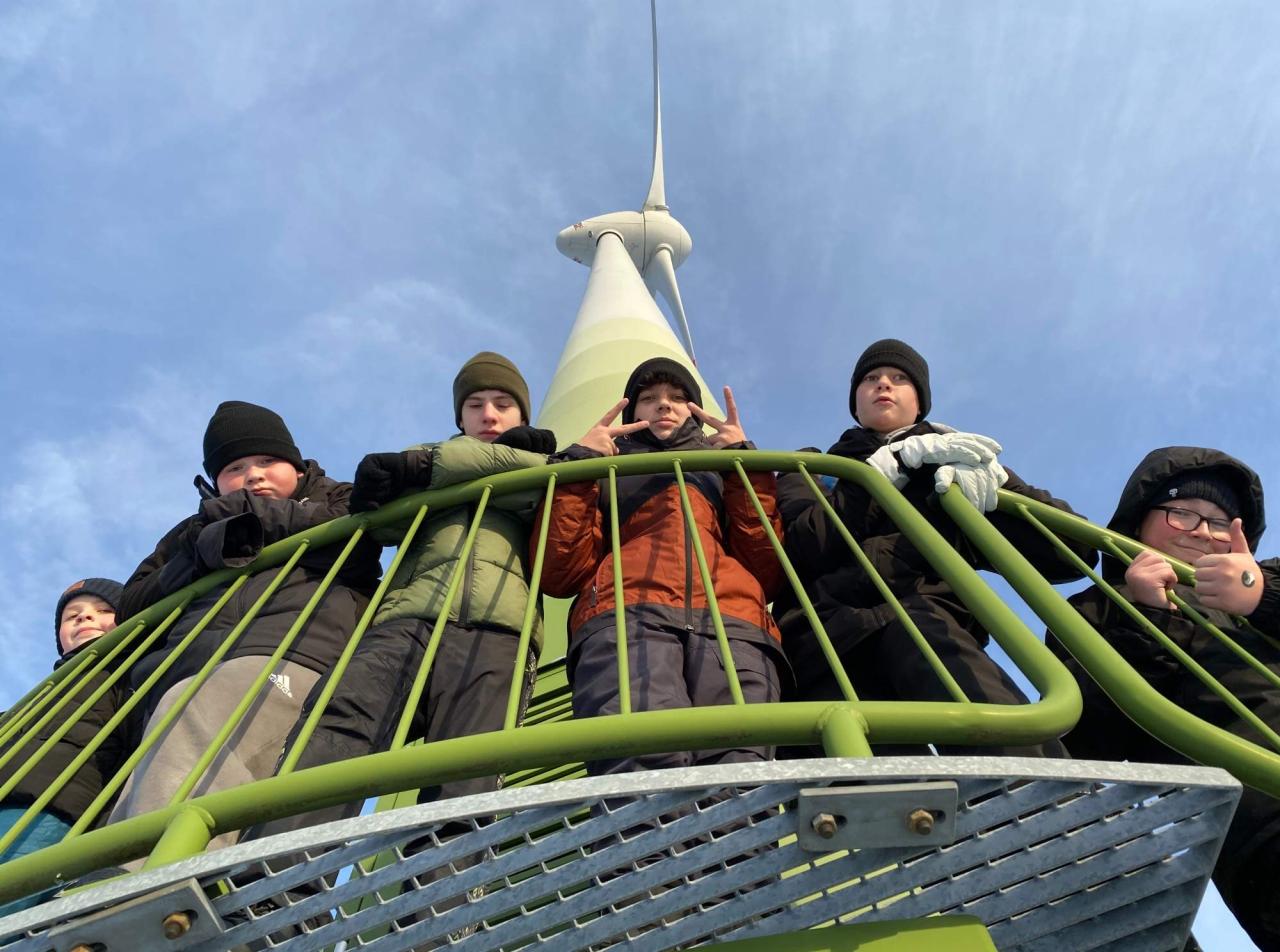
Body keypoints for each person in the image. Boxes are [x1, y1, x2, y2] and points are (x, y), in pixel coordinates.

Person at [244, 352, 553, 838]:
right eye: (475, 405)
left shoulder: (431, 462)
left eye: (503, 404)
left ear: (523, 415)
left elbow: (549, 494)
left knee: (467, 779)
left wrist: (431, 468)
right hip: (405, 621)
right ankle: (274, 871)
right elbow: (383, 522)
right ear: (460, 416)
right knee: (337, 731)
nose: (489, 415)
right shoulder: (426, 460)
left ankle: (446, 887)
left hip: (500, 630)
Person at [774, 339, 1094, 756]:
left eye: (899, 378)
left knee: (1015, 756)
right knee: (858, 785)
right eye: (870, 378)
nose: (883, 384)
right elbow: (801, 546)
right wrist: (884, 470)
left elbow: (1071, 553)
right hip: (826, 641)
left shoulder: (952, 462)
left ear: (920, 402)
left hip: (933, 626)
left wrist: (1001, 485)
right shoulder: (810, 467)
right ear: (855, 400)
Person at [107, 401, 382, 851]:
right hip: (186, 671)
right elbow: (133, 602)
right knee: (155, 784)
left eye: (268, 461)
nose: (253, 475)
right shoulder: (192, 530)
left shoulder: (339, 495)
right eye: (234, 468)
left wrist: (245, 521)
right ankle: (136, 878)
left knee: (197, 742)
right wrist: (202, 552)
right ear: (215, 480)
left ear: (297, 466)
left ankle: (158, 878)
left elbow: (359, 540)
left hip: (291, 654)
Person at [1053, 446, 1280, 950]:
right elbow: (1093, 739)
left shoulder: (1266, 579)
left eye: (1219, 521)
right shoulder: (1099, 608)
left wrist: (1261, 594)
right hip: (1257, 821)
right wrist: (1148, 618)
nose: (1201, 532)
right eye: (1182, 512)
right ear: (1140, 521)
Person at [537, 356, 786, 775]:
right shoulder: (603, 471)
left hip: (732, 620)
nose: (664, 405)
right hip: (624, 616)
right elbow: (561, 571)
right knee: (640, 769)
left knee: (740, 772)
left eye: (678, 397)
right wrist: (577, 467)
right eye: (649, 398)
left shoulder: (726, 467)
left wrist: (744, 465)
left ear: (695, 410)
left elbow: (766, 567)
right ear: (632, 411)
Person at [0, 580, 127, 911]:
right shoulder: (41, 693)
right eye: (73, 615)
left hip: (49, 808)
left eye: (104, 610)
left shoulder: (130, 675)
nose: (84, 617)